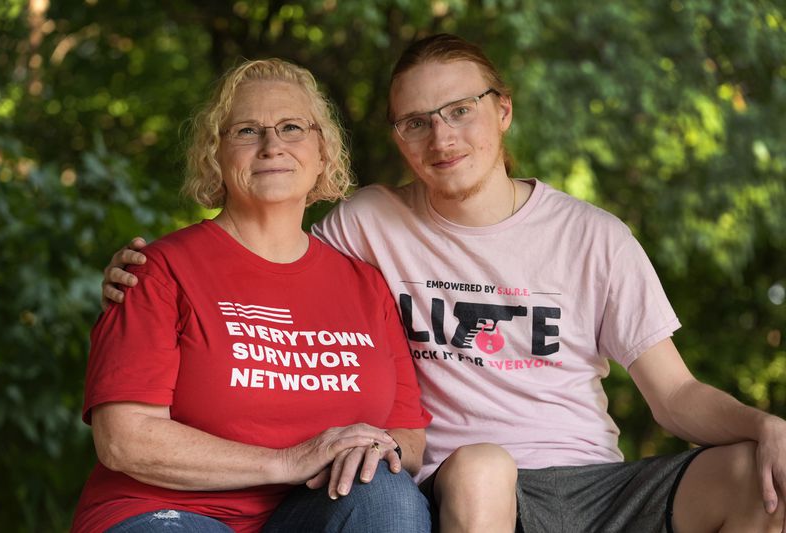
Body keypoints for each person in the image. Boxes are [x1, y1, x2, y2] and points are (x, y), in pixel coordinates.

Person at [101, 34, 786, 533]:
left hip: (596, 482)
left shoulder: (593, 235)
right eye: (416, 122)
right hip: (471, 485)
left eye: (460, 110)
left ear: (502, 111)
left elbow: (676, 395)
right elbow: (263, 252)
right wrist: (141, 272)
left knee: (766, 478)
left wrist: (765, 424)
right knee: (478, 465)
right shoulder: (369, 223)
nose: (442, 136)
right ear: (397, 139)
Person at [73, 58, 433, 533]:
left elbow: (408, 435)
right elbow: (123, 440)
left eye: (291, 127)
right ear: (214, 156)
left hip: (310, 511)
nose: (271, 146)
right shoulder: (159, 272)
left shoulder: (366, 286)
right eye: (246, 131)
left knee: (386, 491)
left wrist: (377, 447)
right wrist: (287, 461)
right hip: (168, 513)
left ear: (322, 153)